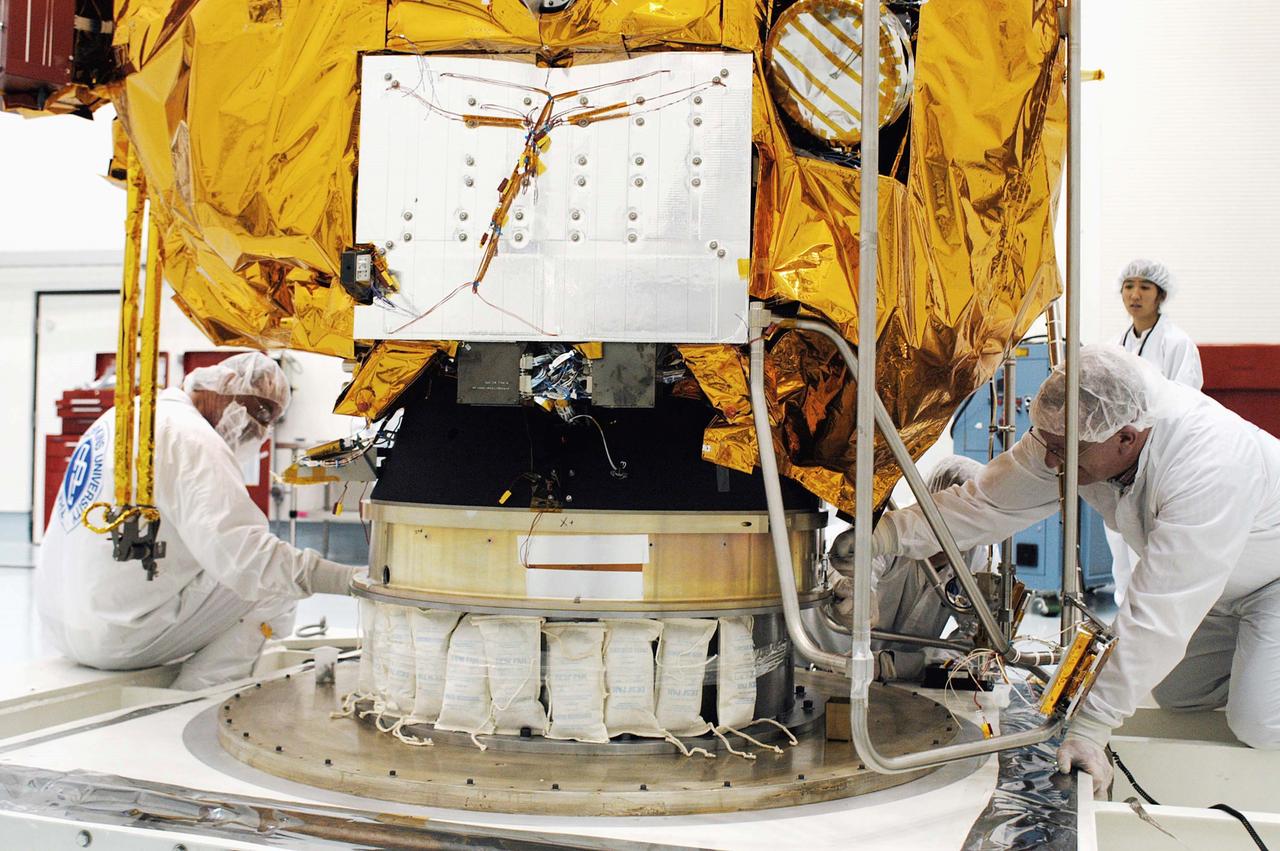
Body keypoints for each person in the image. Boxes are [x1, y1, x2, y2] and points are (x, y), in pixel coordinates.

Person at [864, 344, 1280, 795]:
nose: (1049, 462)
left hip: (1271, 583)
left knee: (1258, 720)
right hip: (1226, 589)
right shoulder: (1076, 436)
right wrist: (883, 537)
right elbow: (985, 503)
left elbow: (1159, 615)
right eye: (1048, 443)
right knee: (1181, 694)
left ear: (1126, 438)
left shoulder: (1208, 466)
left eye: (1063, 451)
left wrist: (1093, 726)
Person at [37, 352, 362, 691]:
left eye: (268, 421)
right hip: (114, 634)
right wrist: (352, 580)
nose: (257, 429)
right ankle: (196, 697)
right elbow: (248, 557)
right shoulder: (191, 436)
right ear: (222, 387)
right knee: (275, 588)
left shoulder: (124, 415)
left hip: (61, 623)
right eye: (259, 412)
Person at [825, 455, 989, 681]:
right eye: (947, 518)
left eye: (967, 522)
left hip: (895, 683)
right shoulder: (890, 528)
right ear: (927, 505)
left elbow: (975, 649)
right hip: (824, 664)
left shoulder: (977, 555)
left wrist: (893, 665)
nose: (956, 534)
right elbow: (860, 566)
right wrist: (857, 591)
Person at [1107, 259, 1203, 603]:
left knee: (1150, 537)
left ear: (1159, 295)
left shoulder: (1177, 343)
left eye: (1145, 287)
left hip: (1161, 455)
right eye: (1129, 286)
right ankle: (1123, 607)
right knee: (1118, 536)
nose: (1135, 294)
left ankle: (1149, 611)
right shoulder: (1116, 342)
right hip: (1121, 456)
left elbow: (1186, 400)